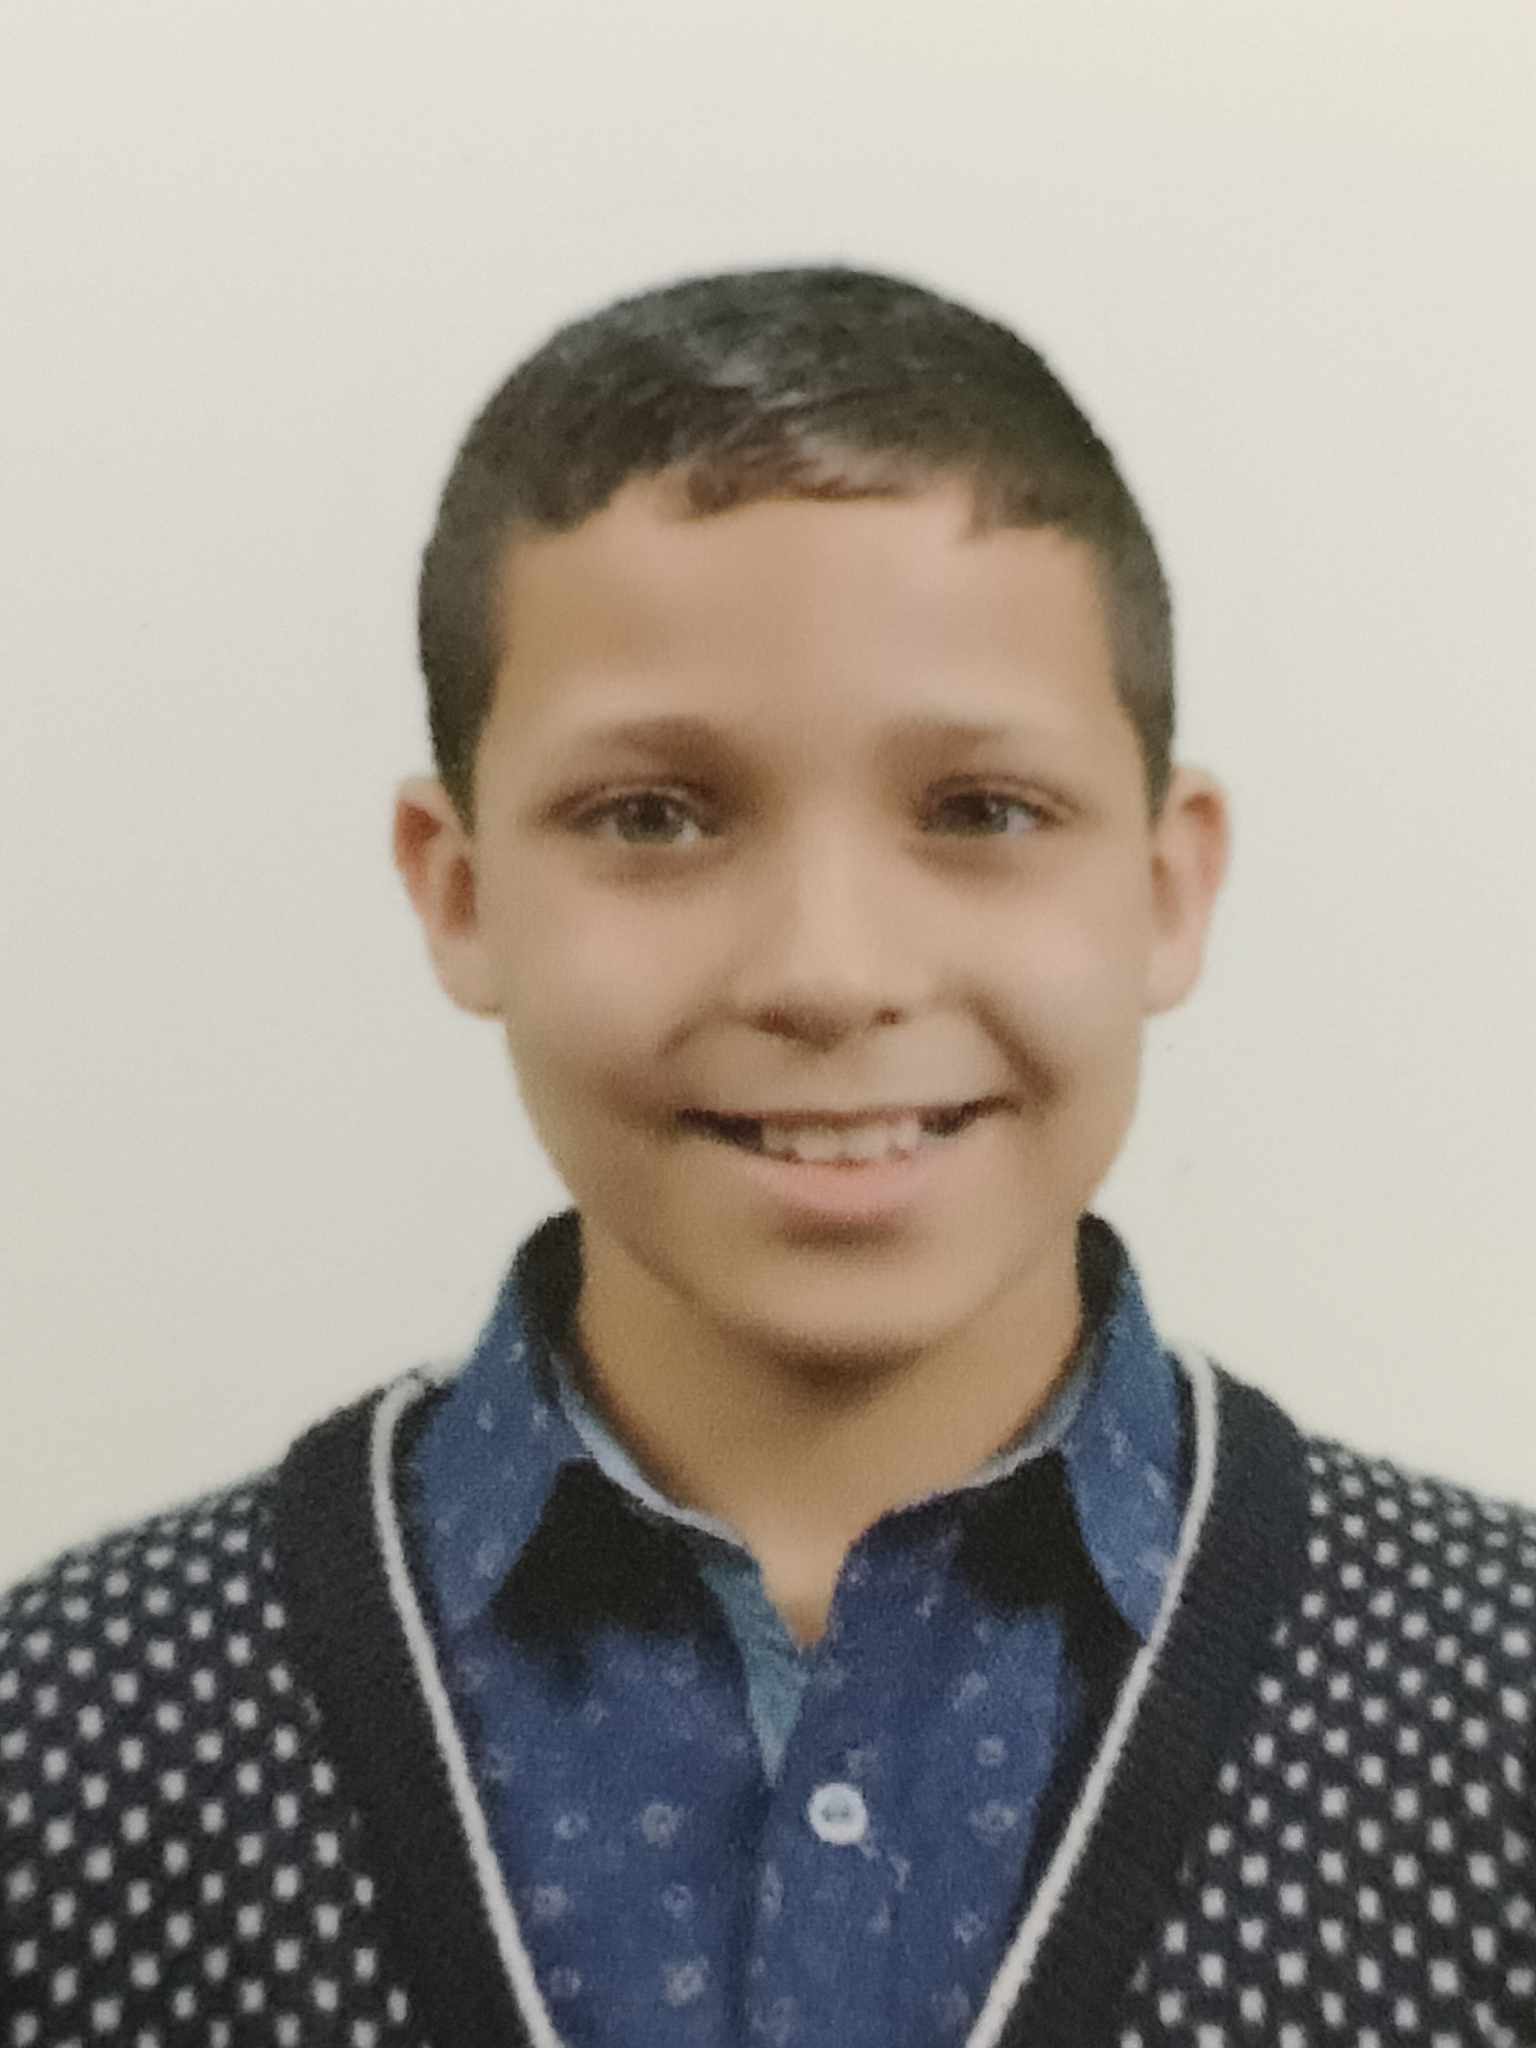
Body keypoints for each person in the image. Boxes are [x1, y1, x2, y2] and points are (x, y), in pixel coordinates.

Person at [3, 265, 1531, 2048]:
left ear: (1167, 886)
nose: (826, 971)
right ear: (460, 891)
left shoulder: (1492, 1706)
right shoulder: (70, 1742)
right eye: (653, 815)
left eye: (981, 810)